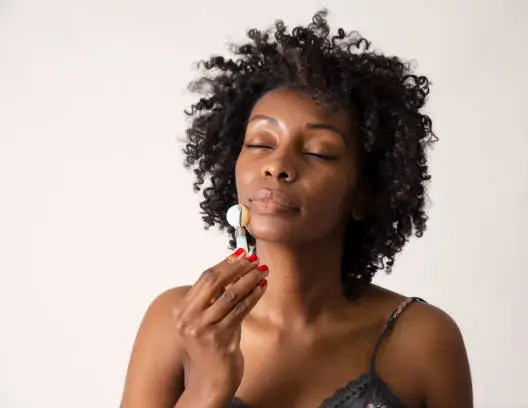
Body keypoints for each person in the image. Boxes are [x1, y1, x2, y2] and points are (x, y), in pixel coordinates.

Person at [120, 10, 472, 408]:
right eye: (260, 144)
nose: (277, 165)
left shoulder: (423, 340)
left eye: (319, 152)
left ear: (365, 192)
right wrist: (207, 387)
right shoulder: (176, 322)